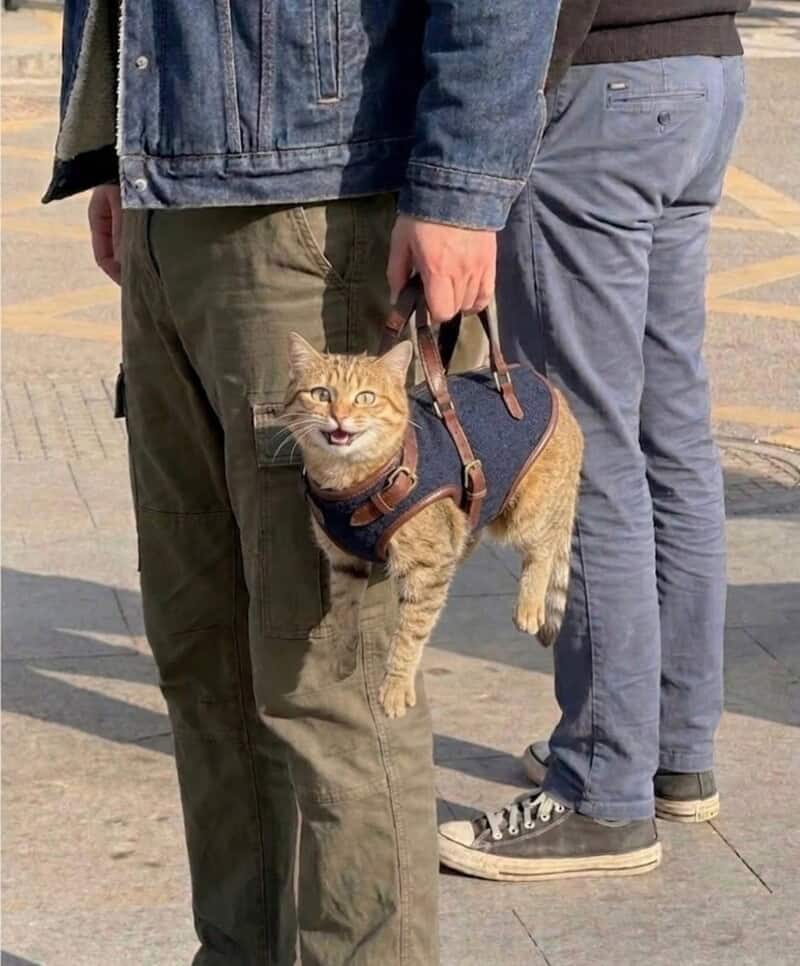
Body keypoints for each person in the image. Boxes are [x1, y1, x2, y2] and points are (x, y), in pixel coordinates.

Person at [44, 1, 560, 962]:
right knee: (201, 644)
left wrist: (460, 185)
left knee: (329, 667)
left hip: (317, 204)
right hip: (170, 190)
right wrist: (117, 151)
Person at [438, 0, 748, 879]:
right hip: (703, 70)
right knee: (670, 433)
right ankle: (671, 752)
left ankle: (602, 788)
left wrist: (503, 113)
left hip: (598, 85)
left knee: (586, 452)